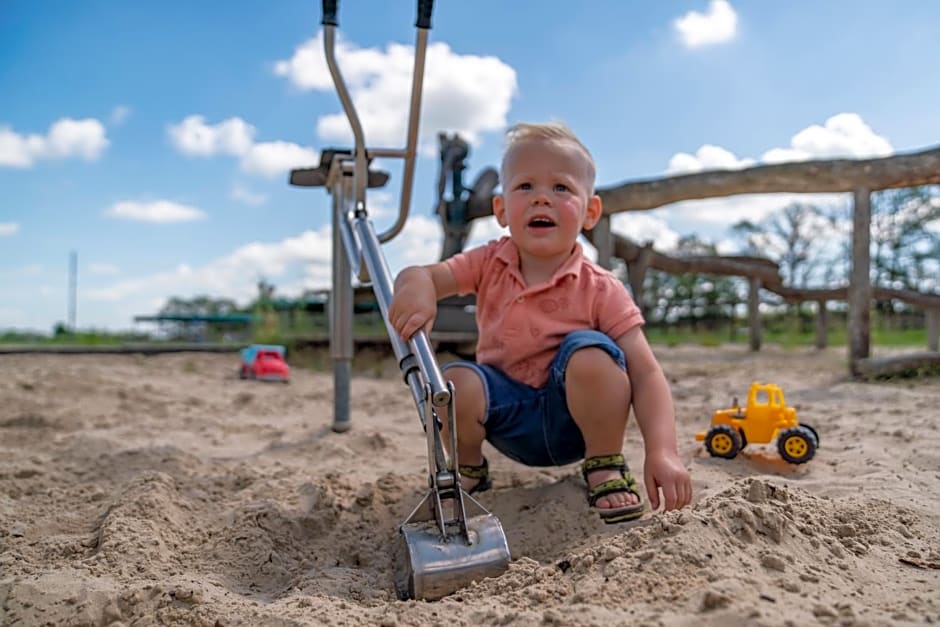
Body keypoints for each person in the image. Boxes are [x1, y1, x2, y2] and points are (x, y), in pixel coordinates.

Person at [389, 122, 691, 523]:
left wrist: (663, 450)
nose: (541, 200)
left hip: (577, 425)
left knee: (591, 353)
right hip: (506, 418)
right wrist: (416, 285)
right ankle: (467, 467)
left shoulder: (602, 287)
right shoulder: (488, 262)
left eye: (561, 188)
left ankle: (604, 463)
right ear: (501, 210)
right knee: (454, 382)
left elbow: (647, 372)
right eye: (525, 187)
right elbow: (424, 274)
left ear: (590, 212)